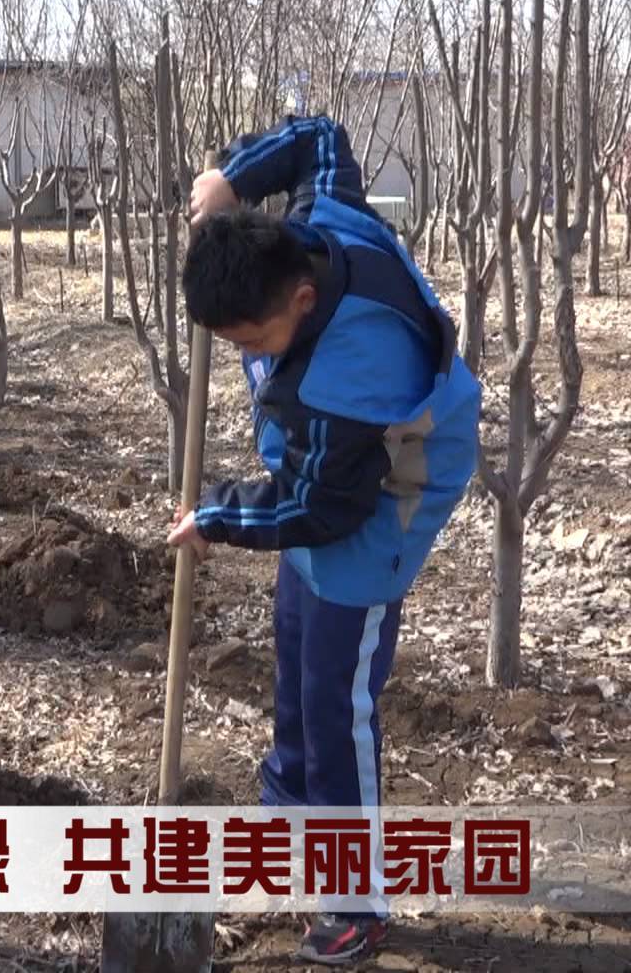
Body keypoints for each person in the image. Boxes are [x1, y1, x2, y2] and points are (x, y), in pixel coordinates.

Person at [166, 115, 479, 965]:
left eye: (249, 341)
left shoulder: (352, 375)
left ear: (301, 301)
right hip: (324, 473)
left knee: (340, 699)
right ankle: (290, 812)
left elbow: (318, 510)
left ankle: (356, 898)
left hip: (388, 487)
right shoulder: (321, 219)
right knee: (299, 644)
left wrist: (221, 515)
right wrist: (231, 180)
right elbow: (320, 135)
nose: (241, 355)